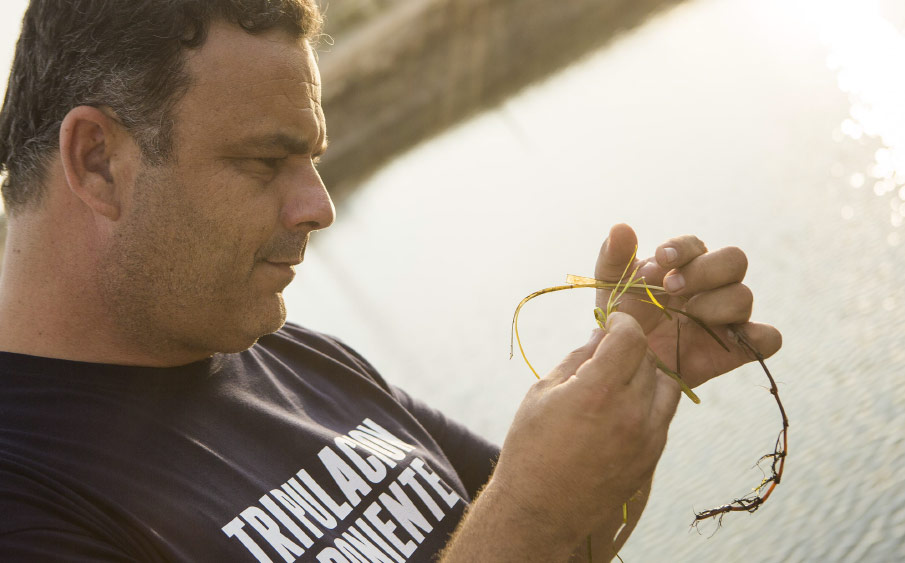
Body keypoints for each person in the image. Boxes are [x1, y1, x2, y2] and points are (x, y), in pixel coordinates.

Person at [0, 1, 782, 561]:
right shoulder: (24, 499)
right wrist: (528, 519)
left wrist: (629, 391)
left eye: (313, 158)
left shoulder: (290, 354)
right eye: (266, 161)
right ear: (98, 161)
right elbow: (528, 532)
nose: (319, 206)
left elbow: (570, 539)